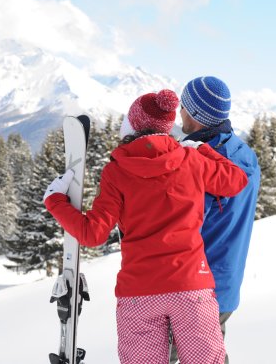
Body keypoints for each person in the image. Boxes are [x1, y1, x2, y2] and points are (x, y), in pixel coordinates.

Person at [43, 89, 248, 364]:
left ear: (133, 125)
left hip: (139, 293)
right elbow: (236, 181)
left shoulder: (116, 171)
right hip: (191, 287)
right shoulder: (193, 161)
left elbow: (92, 234)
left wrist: (55, 200)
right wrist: (202, 149)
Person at [169, 76, 261, 364]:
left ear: (195, 115)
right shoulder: (242, 153)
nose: (178, 113)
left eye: (183, 106)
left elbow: (179, 224)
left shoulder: (205, 166)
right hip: (225, 281)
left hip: (197, 287)